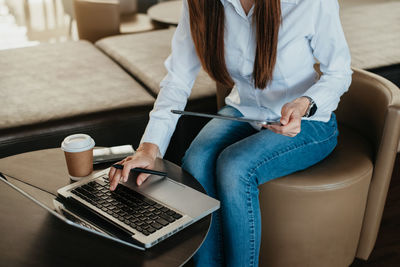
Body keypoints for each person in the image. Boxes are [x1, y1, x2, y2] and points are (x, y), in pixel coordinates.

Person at [108, 0, 352, 266]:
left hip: (309, 121)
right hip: (245, 109)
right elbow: (177, 79)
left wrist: (304, 104)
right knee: (195, 162)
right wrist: (148, 148)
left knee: (235, 166)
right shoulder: (200, 4)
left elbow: (339, 73)